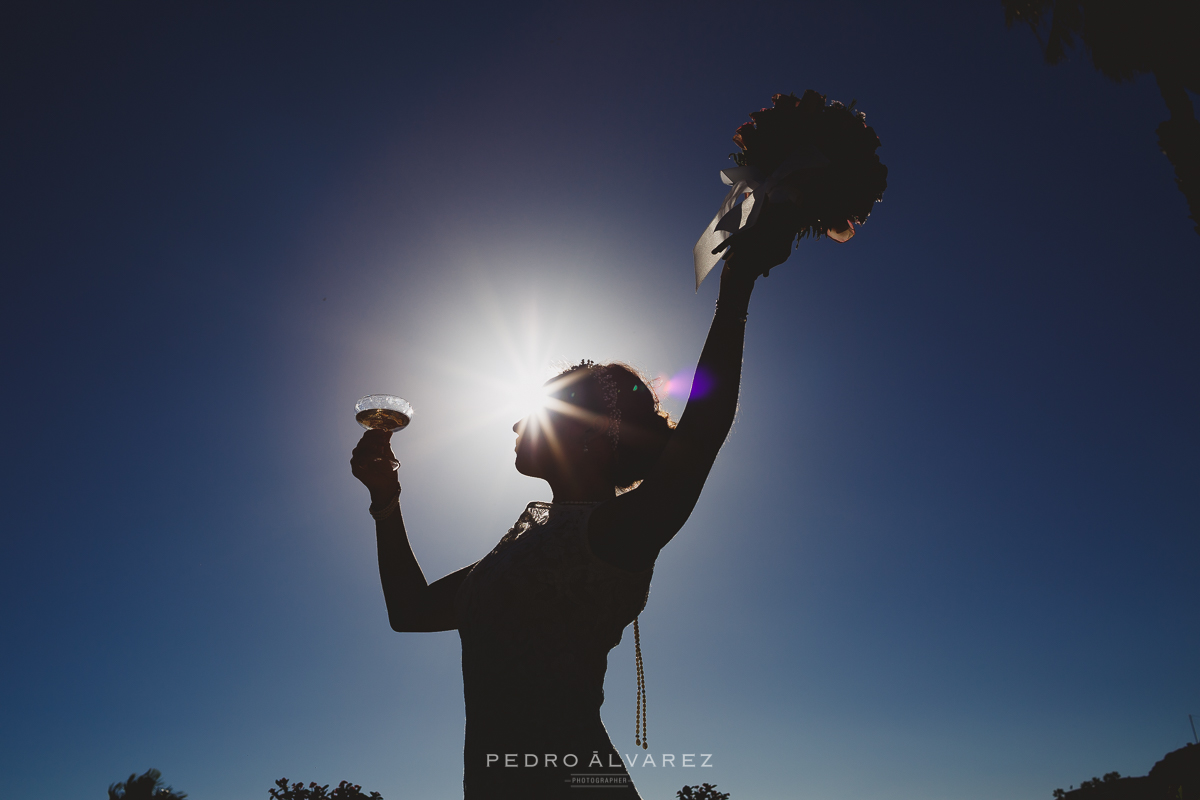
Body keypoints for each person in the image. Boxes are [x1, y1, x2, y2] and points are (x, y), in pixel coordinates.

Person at [350, 225, 792, 799]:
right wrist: (385, 500)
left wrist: (734, 289)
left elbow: (702, 430)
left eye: (538, 409)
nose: (515, 423)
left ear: (588, 436)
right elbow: (408, 610)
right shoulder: (510, 557)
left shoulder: (617, 532)